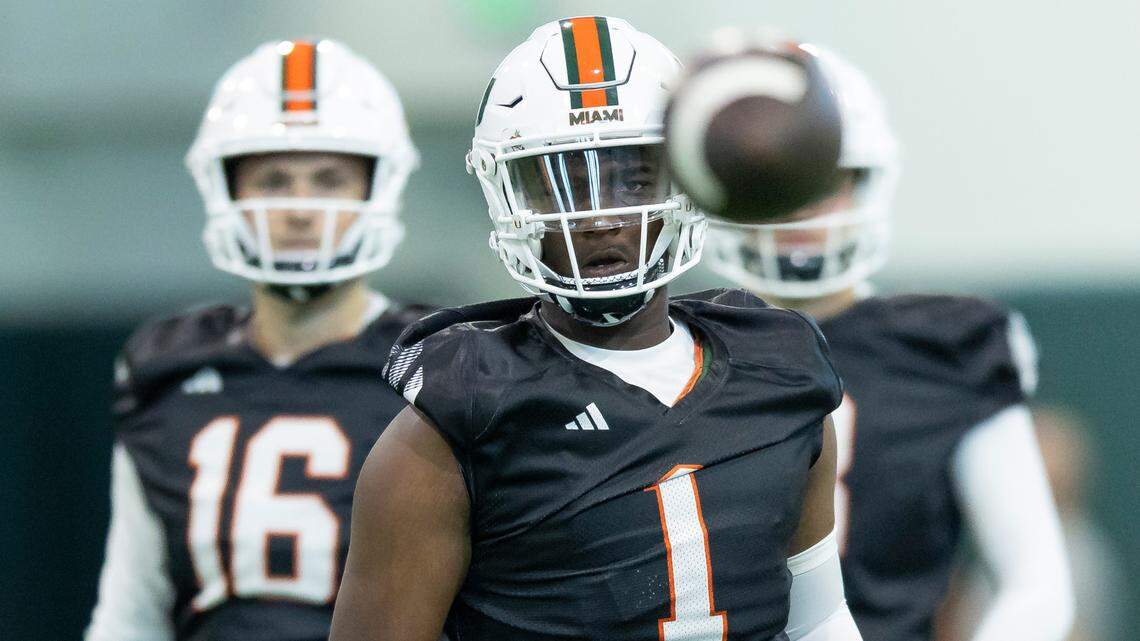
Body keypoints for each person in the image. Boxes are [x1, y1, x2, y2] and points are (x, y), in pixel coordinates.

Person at [330, 16, 862, 641]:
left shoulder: (780, 368)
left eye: (631, 176)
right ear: (511, 197)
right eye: (564, 182)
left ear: (683, 178)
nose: (600, 217)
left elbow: (820, 621)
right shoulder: (457, 418)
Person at [701, 44, 1074, 641]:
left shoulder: (948, 348)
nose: (800, 208)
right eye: (779, 183)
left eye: (822, 180)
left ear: (865, 183)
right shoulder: (685, 344)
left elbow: (1036, 582)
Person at [84, 38, 424, 641]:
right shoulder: (166, 364)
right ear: (228, 191)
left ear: (377, 189)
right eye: (272, 179)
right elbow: (133, 605)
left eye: (327, 179)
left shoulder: (441, 364)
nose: (299, 209)